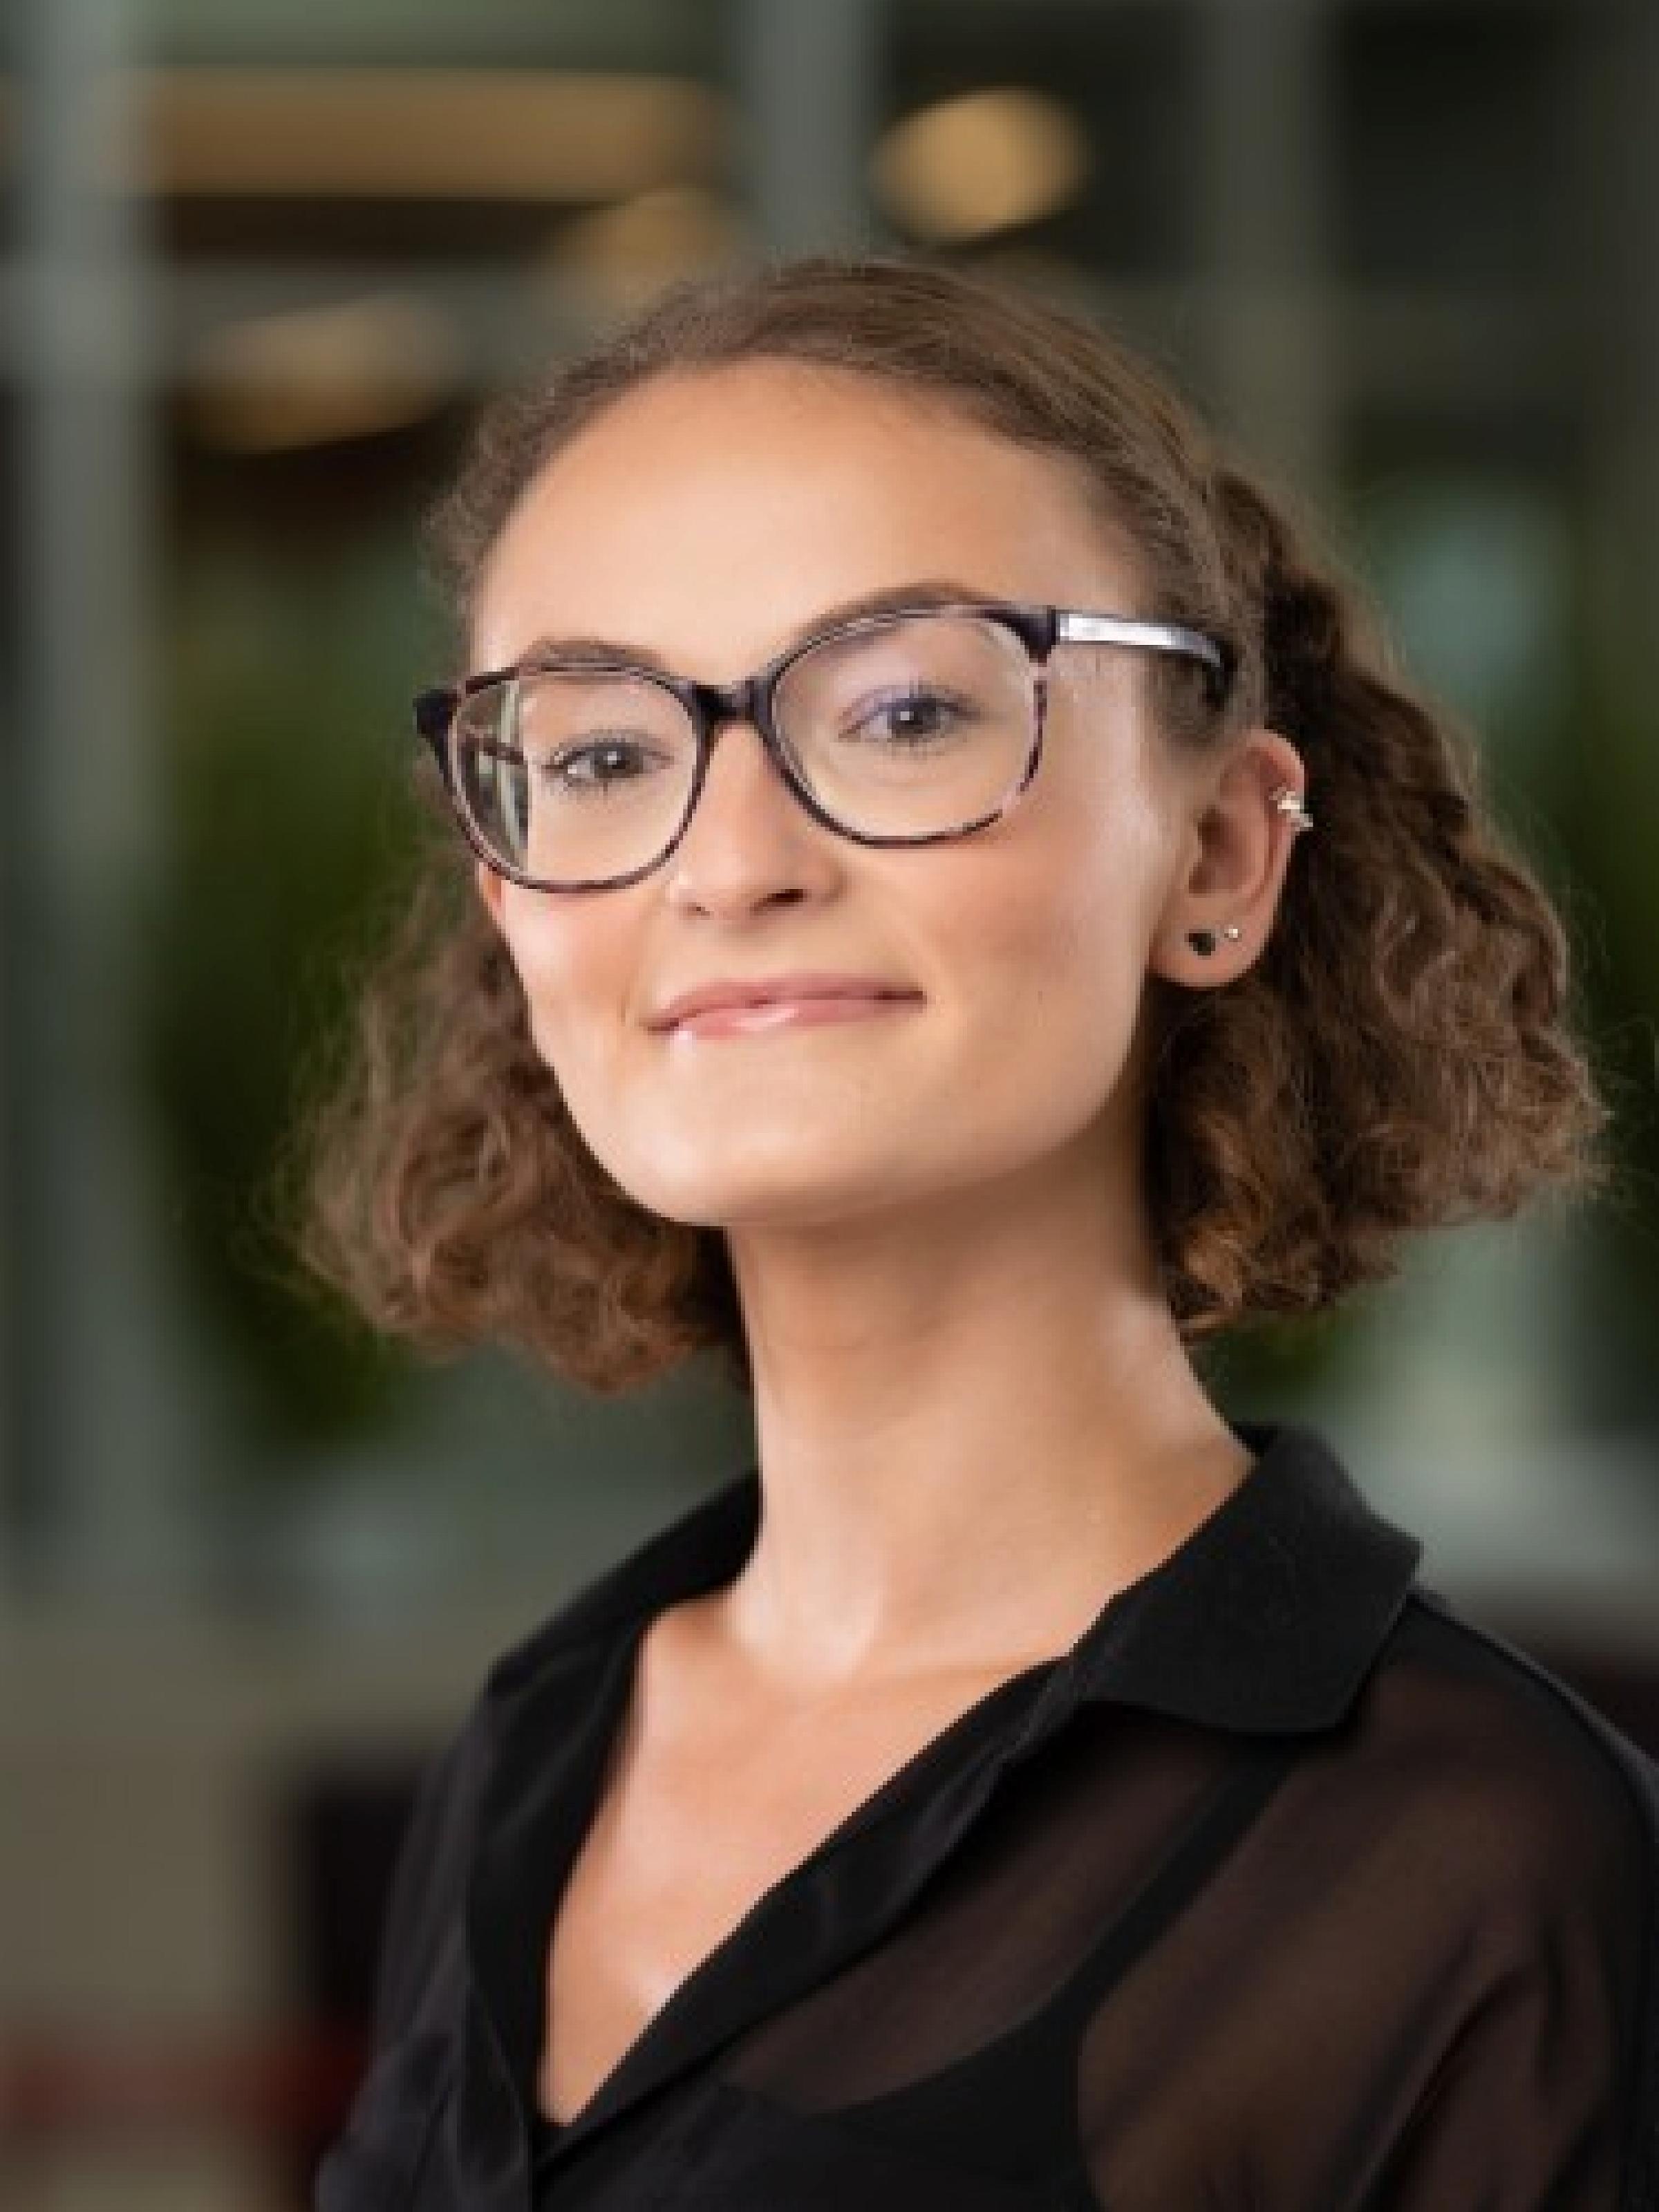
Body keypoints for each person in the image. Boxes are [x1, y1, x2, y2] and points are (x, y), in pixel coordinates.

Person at [299, 252, 1659, 2209]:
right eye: (601, 753)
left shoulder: (1488, 1860)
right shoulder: (544, 1742)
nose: (733, 862)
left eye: (907, 710)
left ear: (1215, 855)